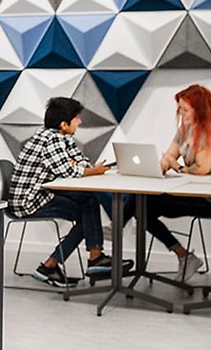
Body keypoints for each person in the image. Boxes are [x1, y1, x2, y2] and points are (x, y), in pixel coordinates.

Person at [124, 84, 211, 283]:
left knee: (141, 205)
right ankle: (184, 256)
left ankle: (115, 226)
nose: (181, 113)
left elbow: (202, 168)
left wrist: (176, 167)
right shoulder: (186, 128)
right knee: (141, 205)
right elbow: (170, 154)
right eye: (180, 109)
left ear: (200, 109)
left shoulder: (210, 127)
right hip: (195, 193)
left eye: (185, 109)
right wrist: (163, 163)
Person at [9, 97, 125, 288]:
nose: (80, 121)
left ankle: (67, 262)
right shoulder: (51, 139)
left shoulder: (61, 137)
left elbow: (81, 162)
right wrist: (90, 171)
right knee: (86, 212)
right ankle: (80, 260)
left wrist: (85, 168)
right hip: (29, 202)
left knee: (88, 201)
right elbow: (69, 171)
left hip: (41, 194)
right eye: (77, 118)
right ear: (64, 124)